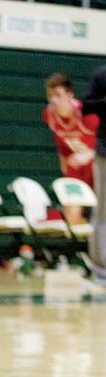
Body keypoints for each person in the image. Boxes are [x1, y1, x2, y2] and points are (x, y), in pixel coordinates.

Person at [43, 73, 98, 226]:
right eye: (50, 95)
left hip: (97, 166)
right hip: (76, 169)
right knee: (72, 216)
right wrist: (64, 162)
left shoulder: (87, 114)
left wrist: (90, 154)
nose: (53, 100)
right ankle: (87, 247)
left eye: (58, 95)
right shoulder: (49, 115)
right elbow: (60, 140)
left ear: (70, 95)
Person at [81, 65, 106, 284]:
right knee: (103, 212)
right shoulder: (101, 75)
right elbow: (86, 106)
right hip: (105, 152)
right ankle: (100, 270)